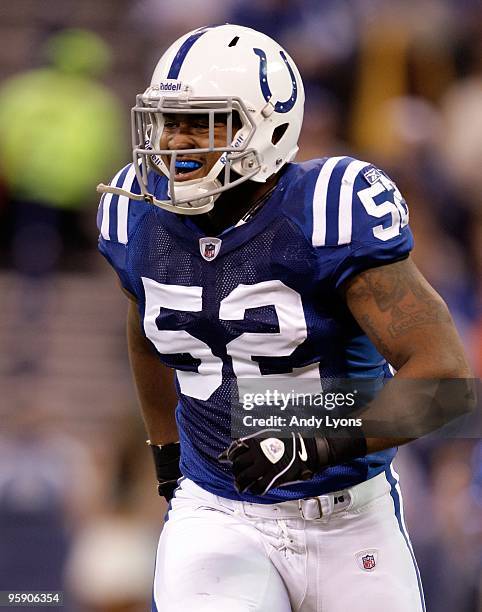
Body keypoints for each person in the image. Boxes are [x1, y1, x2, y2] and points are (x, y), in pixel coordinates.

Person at [96, 24, 473, 612]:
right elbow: (149, 328)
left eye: (204, 120)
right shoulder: (136, 213)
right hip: (218, 511)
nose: (176, 141)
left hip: (349, 512)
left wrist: (311, 443)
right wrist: (167, 454)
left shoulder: (328, 210)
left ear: (267, 125)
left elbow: (446, 383)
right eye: (168, 120)